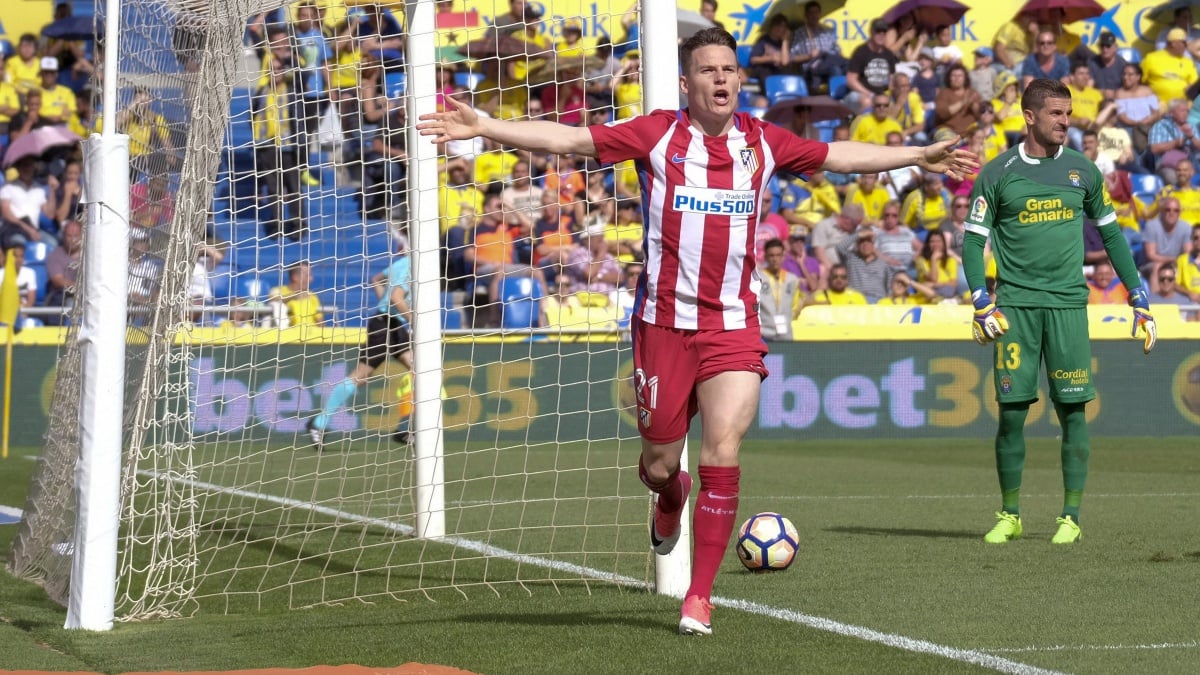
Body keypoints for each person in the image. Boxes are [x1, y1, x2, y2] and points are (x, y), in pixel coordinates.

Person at [416, 27, 975, 636]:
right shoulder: (658, 135)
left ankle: (699, 598)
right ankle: (669, 495)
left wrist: (917, 154)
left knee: (723, 451)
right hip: (662, 325)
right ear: (687, 83)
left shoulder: (763, 142)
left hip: (733, 325)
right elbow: (572, 139)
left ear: (740, 79)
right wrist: (487, 127)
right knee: (659, 461)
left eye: (729, 70)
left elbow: (840, 156)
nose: (720, 79)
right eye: (708, 70)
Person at [963, 78, 1155, 547]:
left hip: (1069, 305)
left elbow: (1112, 236)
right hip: (1015, 309)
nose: (1065, 122)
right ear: (1029, 116)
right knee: (1011, 414)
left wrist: (1138, 294)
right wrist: (981, 299)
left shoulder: (1084, 171)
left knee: (1073, 411)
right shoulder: (998, 171)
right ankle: (1010, 513)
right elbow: (972, 241)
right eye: (1055, 114)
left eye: (1068, 113)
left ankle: (1070, 516)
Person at [307, 235, 413, 450]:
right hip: (386, 325)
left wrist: (386, 305)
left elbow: (376, 279)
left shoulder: (400, 263)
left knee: (421, 370)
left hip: (391, 324)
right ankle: (319, 423)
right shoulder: (411, 266)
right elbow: (397, 298)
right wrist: (416, 319)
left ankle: (406, 428)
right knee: (360, 376)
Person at [758, 238, 800, 341]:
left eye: (778, 255)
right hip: (764, 334)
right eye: (771, 255)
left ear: (783, 256)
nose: (775, 259)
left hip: (785, 334)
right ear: (766, 257)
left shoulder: (792, 279)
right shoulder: (758, 278)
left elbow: (794, 305)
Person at [268, 261, 324, 327]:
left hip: (312, 333)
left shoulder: (312, 296)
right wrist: (295, 296)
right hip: (289, 334)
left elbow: (320, 322)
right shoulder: (278, 291)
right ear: (295, 277)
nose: (311, 279)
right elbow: (274, 300)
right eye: (307, 275)